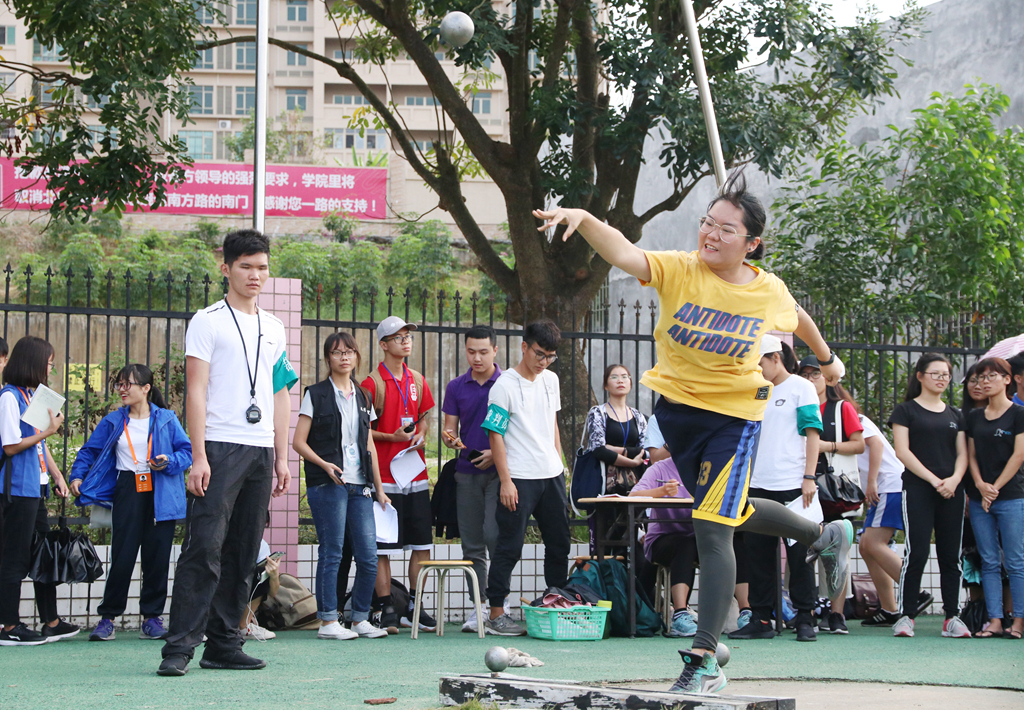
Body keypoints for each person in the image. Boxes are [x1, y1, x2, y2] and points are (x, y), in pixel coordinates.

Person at [533, 172, 855, 694]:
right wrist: (586, 219)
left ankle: (704, 659)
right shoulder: (681, 270)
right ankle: (822, 536)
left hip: (735, 418)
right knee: (733, 509)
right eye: (708, 222)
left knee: (712, 524)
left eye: (726, 229)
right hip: (679, 416)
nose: (710, 234)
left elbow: (796, 317)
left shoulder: (767, 289)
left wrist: (828, 359)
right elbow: (625, 253)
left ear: (751, 243)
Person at [158, 230, 298, 676]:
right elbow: (195, 392)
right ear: (226, 269)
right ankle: (179, 648)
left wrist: (281, 456)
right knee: (204, 548)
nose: (255, 275)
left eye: (262, 267)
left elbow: (280, 394)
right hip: (219, 446)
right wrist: (198, 455)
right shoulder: (208, 320)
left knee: (243, 552)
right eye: (246, 266)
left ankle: (223, 644)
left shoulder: (274, 327)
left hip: (260, 450)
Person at [69, 364, 192, 641]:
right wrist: (77, 475)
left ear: (146, 388)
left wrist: (169, 461)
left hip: (161, 489)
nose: (122, 390)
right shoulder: (113, 420)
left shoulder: (166, 419)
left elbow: (187, 452)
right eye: (119, 384)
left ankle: (152, 618)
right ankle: (107, 618)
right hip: (128, 487)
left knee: (157, 557)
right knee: (122, 556)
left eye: (128, 384)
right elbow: (89, 451)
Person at [293, 331, 390, 641]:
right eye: (337, 352)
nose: (344, 357)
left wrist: (379, 488)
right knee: (332, 553)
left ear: (357, 356)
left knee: (368, 556)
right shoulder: (316, 394)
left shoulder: (363, 395)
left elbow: (369, 445)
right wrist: (324, 464)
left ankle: (360, 619)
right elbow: (298, 442)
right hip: (328, 483)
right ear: (328, 359)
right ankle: (327, 621)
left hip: (360, 486)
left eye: (349, 351)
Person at [481, 320, 570, 636]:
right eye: (539, 353)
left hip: (551, 475)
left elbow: (552, 423)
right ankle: (496, 614)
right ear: (524, 347)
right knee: (510, 545)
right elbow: (495, 434)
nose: (544, 361)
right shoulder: (503, 386)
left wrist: (560, 464)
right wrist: (505, 481)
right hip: (519, 476)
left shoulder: (551, 380)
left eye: (550, 356)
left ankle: (556, 603)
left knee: (559, 543)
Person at [731, 336, 822, 643]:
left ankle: (805, 616)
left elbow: (813, 433)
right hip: (757, 484)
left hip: (794, 484)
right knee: (757, 554)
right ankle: (760, 618)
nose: (756, 369)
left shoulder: (801, 387)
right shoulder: (757, 390)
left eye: (759, 362)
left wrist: (809, 476)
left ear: (775, 358)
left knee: (800, 555)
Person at [0, 336, 77, 645]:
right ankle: (9, 625)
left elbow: (38, 445)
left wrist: (57, 475)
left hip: (36, 487)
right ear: (32, 362)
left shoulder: (30, 395)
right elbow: (10, 446)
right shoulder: (9, 397)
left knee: (43, 554)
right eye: (48, 363)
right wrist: (49, 430)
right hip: (17, 489)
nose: (50, 369)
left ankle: (51, 621)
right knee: (14, 556)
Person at [362, 316, 435, 634]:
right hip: (384, 477)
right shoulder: (371, 384)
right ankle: (387, 608)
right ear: (383, 344)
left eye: (408, 336)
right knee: (383, 546)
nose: (406, 341)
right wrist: (390, 438)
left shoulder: (417, 379)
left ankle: (415, 606)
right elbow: (362, 431)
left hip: (414, 473)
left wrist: (421, 433)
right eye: (398, 337)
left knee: (421, 543)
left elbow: (424, 418)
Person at [888, 353, 969, 639]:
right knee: (917, 552)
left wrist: (954, 480)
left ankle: (952, 617)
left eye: (945, 374)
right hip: (919, 489)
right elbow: (902, 451)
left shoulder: (956, 415)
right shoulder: (905, 411)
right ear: (920, 376)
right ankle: (906, 616)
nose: (941, 379)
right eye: (936, 373)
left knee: (951, 555)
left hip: (952, 491)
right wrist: (935, 480)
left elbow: (963, 454)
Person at [797, 355, 865, 634]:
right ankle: (805, 610)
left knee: (837, 551)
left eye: (816, 374)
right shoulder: (796, 405)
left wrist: (826, 446)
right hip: (802, 487)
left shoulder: (841, 408)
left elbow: (859, 445)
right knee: (801, 547)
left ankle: (836, 614)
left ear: (828, 378)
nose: (810, 379)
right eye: (805, 374)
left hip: (834, 489)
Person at [441, 324, 502, 634]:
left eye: (483, 352)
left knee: (494, 535)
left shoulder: (507, 383)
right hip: (466, 472)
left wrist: (496, 453)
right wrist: (450, 439)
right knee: (472, 545)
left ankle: (499, 605)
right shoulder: (456, 386)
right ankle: (478, 607)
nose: (477, 358)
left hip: (500, 473)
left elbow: (519, 429)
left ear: (495, 351)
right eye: (471, 352)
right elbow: (449, 428)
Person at [964, 357, 1024, 639]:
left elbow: (1019, 455)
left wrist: (994, 488)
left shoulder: (1018, 414)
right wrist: (979, 485)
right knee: (988, 561)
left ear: (1007, 380)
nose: (985, 382)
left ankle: (1018, 621)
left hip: (1011, 497)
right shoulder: (975, 417)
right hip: (980, 500)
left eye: (991, 376)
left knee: (1015, 561)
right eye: (980, 377)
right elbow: (971, 455)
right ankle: (995, 620)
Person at [631, 457, 698, 636]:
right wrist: (662, 491)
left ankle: (746, 612)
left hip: (701, 538)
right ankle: (680, 614)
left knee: (735, 543)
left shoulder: (711, 465)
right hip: (661, 541)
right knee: (685, 544)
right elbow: (633, 496)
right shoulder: (660, 468)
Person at [855, 413, 908, 628]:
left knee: (874, 543)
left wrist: (871, 482)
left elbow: (875, 443)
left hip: (888, 484)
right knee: (866, 547)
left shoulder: (854, 417)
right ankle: (889, 609)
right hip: (884, 486)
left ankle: (914, 592)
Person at [582, 364, 649, 495]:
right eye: (614, 377)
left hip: (635, 483)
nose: (620, 381)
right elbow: (599, 450)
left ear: (630, 383)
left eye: (624, 377)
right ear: (606, 385)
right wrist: (632, 462)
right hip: (603, 482)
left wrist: (615, 449)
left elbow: (645, 451)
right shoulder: (598, 413)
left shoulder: (638, 416)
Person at [240, 541, 281, 641]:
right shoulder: (216, 537)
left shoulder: (260, 544)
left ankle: (244, 626)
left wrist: (274, 575)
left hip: (239, 589)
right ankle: (204, 625)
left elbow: (273, 593)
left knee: (262, 572)